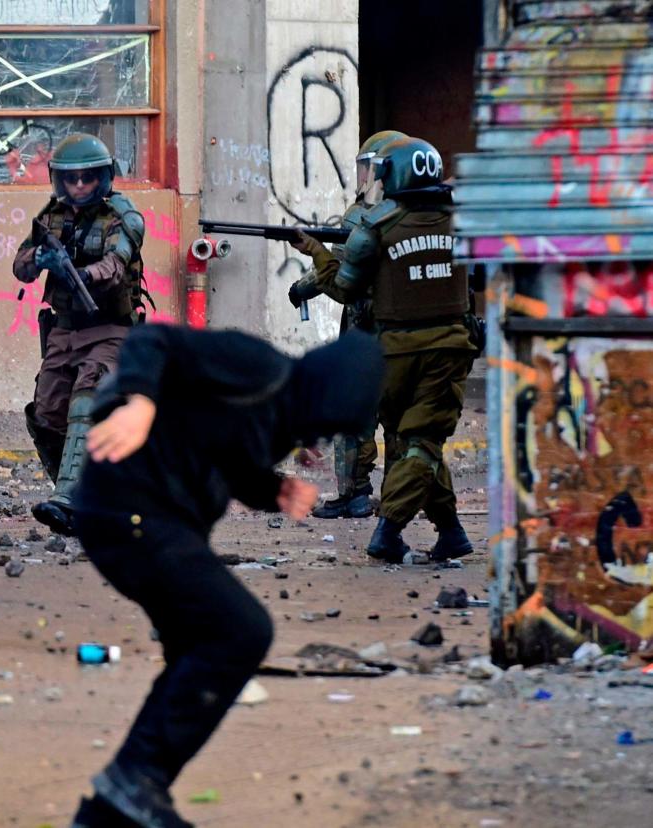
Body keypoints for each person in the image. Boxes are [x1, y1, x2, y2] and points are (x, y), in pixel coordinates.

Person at [70, 325, 383, 827]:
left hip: (154, 521)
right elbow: (153, 341)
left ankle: (115, 808)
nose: (320, 439)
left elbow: (223, 454)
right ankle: (133, 780)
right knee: (240, 630)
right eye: (329, 423)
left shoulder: (281, 418)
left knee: (197, 653)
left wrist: (272, 490)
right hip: (129, 508)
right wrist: (141, 403)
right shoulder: (257, 365)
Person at [332, 136, 476, 562]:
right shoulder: (462, 222)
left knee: (415, 442)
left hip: (394, 352)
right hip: (446, 347)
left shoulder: (378, 224)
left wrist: (320, 265)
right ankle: (405, 530)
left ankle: (432, 531)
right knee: (423, 443)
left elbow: (347, 287)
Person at [12, 133, 146, 536]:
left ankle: (69, 499)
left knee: (86, 402)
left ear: (103, 179)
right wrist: (41, 258)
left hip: (108, 330)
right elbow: (21, 267)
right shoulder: (51, 216)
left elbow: (116, 265)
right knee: (46, 414)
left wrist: (81, 274)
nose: (80, 187)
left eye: (88, 179)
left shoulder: (123, 218)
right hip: (64, 331)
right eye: (71, 180)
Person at [285, 130, 406, 519]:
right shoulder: (418, 215)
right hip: (404, 337)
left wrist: (300, 287)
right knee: (399, 423)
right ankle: (396, 499)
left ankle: (353, 492)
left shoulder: (364, 217)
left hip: (364, 332)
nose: (363, 176)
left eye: (368, 168)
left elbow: (337, 276)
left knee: (355, 418)